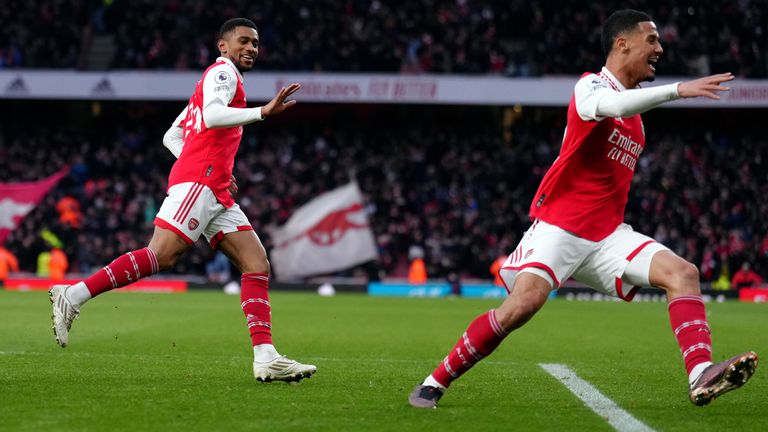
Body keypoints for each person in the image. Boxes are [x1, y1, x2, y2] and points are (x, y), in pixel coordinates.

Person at [408, 9, 757, 409]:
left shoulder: (637, 121)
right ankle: (434, 382)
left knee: (683, 273)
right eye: (652, 40)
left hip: (607, 235)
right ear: (622, 43)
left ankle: (701, 374)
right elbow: (614, 107)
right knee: (520, 308)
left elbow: (626, 113)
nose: (660, 48)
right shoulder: (589, 87)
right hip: (560, 226)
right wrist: (678, 90)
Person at [49, 18, 316, 383]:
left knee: (256, 263)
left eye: (255, 43)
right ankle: (73, 294)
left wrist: (207, 161)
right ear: (223, 46)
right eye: (243, 41)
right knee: (162, 254)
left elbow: (172, 135)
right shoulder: (223, 74)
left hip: (214, 185)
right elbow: (211, 116)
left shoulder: (209, 81)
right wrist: (261, 113)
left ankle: (265, 356)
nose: (251, 48)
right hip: (201, 182)